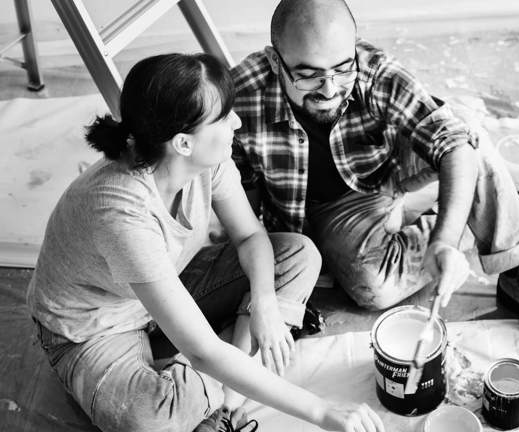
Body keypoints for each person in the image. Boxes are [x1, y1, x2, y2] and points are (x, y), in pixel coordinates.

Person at [26, 53, 385, 432]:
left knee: (298, 254)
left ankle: (221, 408)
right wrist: (321, 411)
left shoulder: (206, 159)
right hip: (96, 328)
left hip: (168, 287)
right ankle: (226, 388)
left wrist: (262, 301)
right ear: (182, 142)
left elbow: (250, 236)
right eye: (225, 117)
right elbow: (202, 351)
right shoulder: (120, 212)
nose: (237, 122)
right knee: (152, 416)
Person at [231, 0, 519, 356]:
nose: (329, 90)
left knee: (464, 135)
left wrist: (444, 242)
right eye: (308, 75)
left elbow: (453, 144)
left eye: (342, 69)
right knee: (373, 288)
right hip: (326, 207)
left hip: (385, 172)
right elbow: (241, 198)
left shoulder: (373, 70)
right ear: (275, 61)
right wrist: (281, 283)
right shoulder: (241, 95)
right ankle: (494, 212)